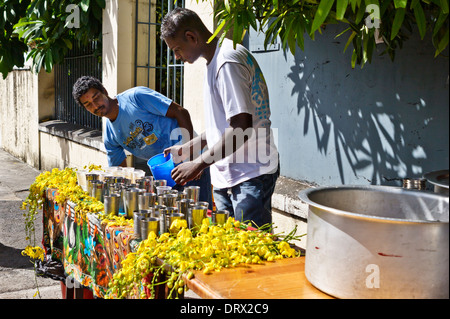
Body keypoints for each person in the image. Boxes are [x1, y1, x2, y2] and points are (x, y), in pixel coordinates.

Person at [160, 8, 279, 228]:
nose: (177, 56)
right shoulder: (215, 60)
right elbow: (226, 124)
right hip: (230, 174)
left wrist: (197, 164)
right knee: (229, 250)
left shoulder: (227, 62)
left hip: (249, 174)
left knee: (250, 251)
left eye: (177, 49)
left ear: (191, 37)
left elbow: (241, 129)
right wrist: (193, 146)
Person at [72, 76, 212, 206]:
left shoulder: (136, 97)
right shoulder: (110, 136)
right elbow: (121, 174)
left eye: (96, 98)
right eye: (88, 104)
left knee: (200, 215)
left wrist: (192, 157)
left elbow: (180, 112)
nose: (95, 106)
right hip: (164, 175)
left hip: (191, 163)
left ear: (104, 91)